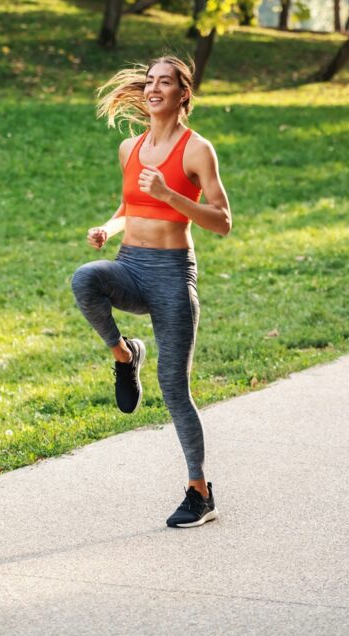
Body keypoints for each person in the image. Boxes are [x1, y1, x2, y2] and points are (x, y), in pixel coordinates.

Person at [70, 55, 232, 528]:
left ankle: (199, 492)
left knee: (174, 388)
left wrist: (170, 195)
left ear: (185, 94)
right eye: (150, 82)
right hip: (131, 267)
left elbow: (222, 221)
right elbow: (129, 203)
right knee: (85, 277)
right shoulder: (130, 148)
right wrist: (109, 225)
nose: (154, 88)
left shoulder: (197, 150)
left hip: (171, 276)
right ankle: (124, 355)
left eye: (166, 82)